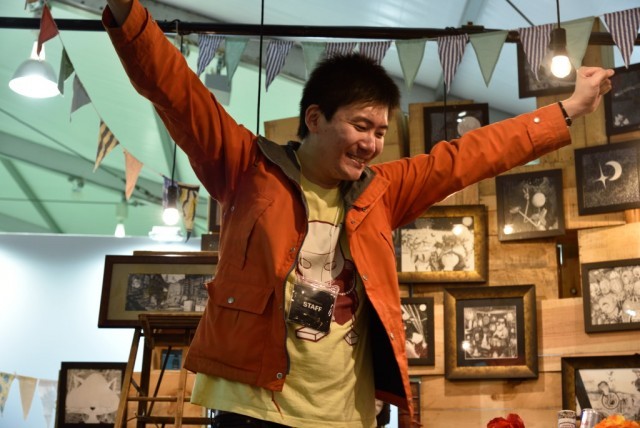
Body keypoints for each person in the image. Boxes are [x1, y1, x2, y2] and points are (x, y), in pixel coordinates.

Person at [103, 1, 614, 426]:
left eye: (380, 132)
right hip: (253, 407)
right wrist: (127, 11)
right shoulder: (247, 168)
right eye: (361, 126)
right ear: (315, 118)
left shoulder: (383, 191)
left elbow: (470, 156)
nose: (372, 143)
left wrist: (567, 110)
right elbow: (178, 92)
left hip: (348, 414)